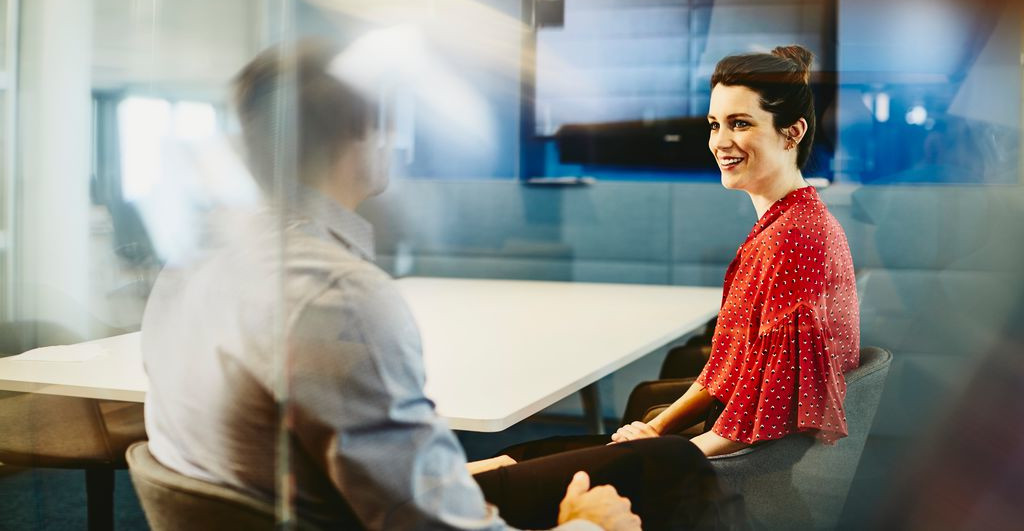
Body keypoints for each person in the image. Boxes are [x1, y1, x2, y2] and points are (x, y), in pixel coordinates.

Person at [141, 39, 725, 531]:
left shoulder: (193, 263)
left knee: (640, 457)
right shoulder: (334, 295)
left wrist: (457, 478)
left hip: (309, 505)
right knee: (670, 470)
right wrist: (580, 526)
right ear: (361, 132)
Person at [610, 45, 860, 455]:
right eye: (714, 125)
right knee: (641, 405)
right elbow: (737, 364)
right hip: (728, 445)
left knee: (514, 466)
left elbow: (767, 414)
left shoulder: (793, 238)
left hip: (739, 468)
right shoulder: (789, 220)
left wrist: (651, 452)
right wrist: (656, 431)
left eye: (739, 123)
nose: (720, 142)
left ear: (792, 133)